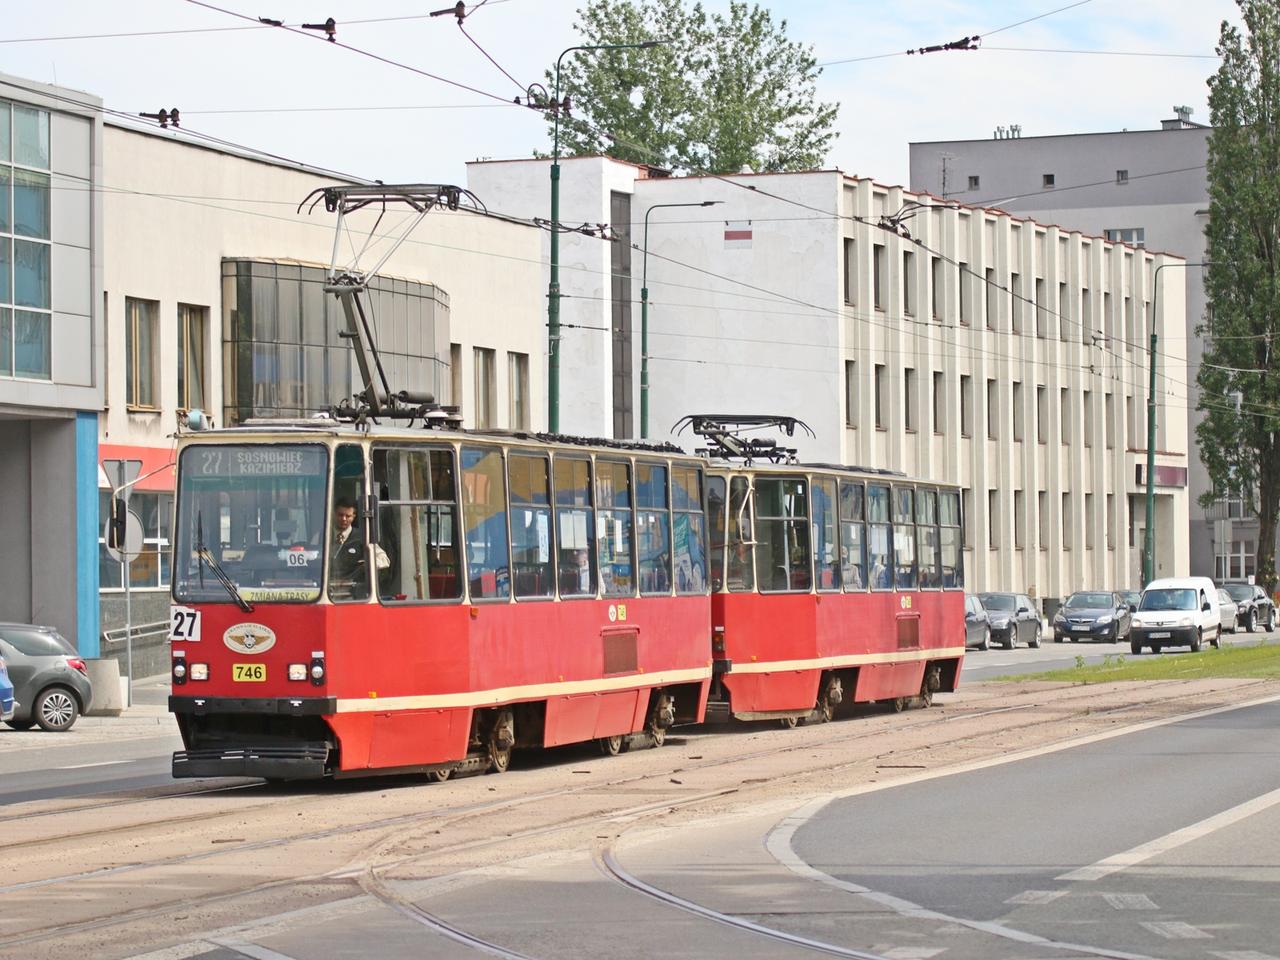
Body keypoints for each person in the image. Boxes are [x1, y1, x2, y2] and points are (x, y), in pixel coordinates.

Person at [330, 497, 389, 596]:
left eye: (348, 516)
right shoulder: (321, 536)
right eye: (340, 515)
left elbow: (384, 559)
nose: (343, 519)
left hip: (354, 595)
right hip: (328, 591)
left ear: (354, 516)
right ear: (334, 514)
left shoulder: (364, 537)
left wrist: (368, 563)